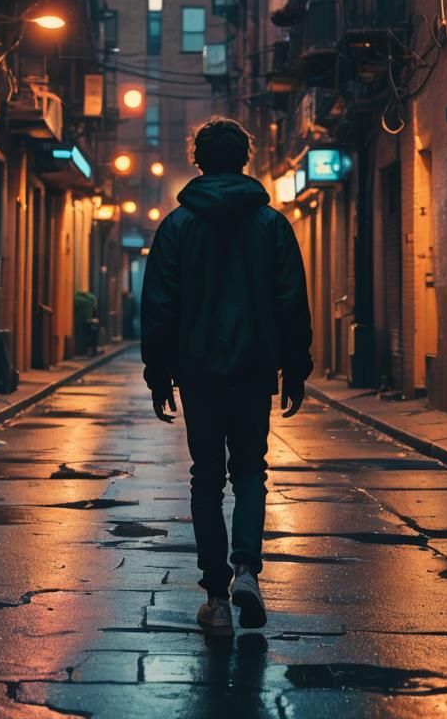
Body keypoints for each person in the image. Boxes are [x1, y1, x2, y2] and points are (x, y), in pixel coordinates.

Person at [140, 117, 313, 635]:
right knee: (251, 473)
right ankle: (247, 572)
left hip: (198, 374)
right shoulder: (273, 226)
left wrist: (158, 373)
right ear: (245, 160)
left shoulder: (176, 226)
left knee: (206, 478)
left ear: (199, 161)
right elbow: (292, 303)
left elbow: (159, 306)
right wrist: (296, 367)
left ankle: (216, 595)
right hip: (254, 370)